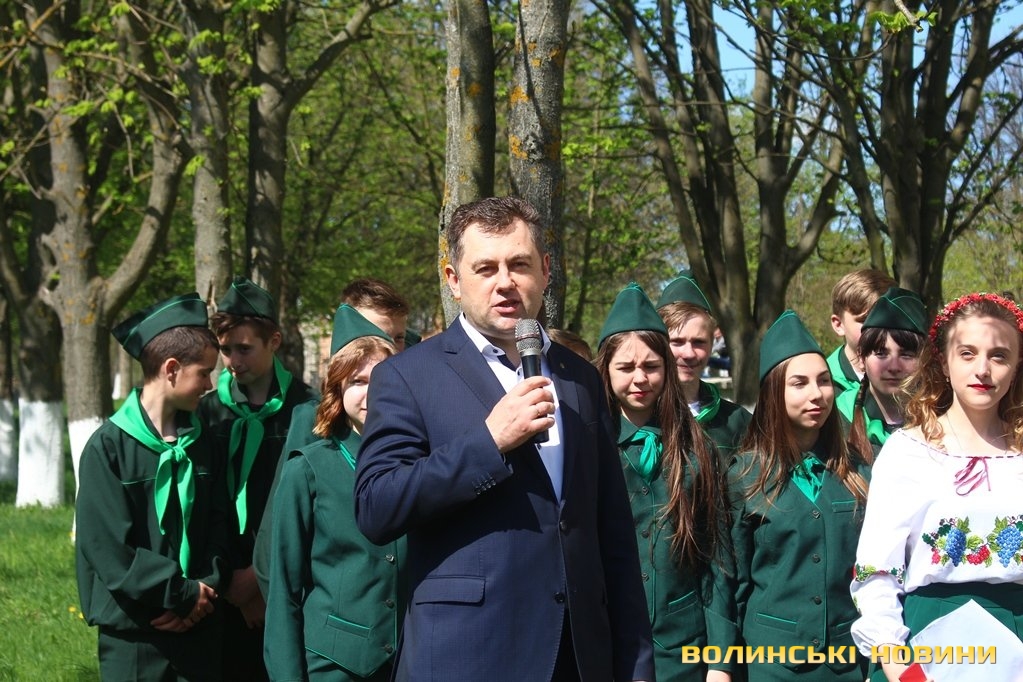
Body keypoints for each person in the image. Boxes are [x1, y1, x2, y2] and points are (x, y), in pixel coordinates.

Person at [354, 196, 655, 680]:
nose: (505, 282)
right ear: (454, 280)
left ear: (546, 270)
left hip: (578, 657)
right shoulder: (407, 376)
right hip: (467, 655)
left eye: (519, 264)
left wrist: (636, 667)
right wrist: (488, 442)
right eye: (485, 268)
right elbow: (377, 506)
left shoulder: (580, 377)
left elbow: (613, 532)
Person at [850, 292, 1023, 682]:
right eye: (967, 354)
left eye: (999, 356)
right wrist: (898, 665)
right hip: (929, 638)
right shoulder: (908, 451)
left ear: (1016, 367)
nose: (983, 369)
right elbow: (876, 571)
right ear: (944, 362)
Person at [76, 293, 231, 681]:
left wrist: (202, 590)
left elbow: (220, 522)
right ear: (172, 369)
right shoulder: (108, 449)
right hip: (135, 638)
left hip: (200, 627)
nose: (209, 384)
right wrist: (178, 595)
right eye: (204, 373)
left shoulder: (204, 443)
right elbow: (109, 549)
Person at [596, 283, 736, 681]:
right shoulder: (588, 447)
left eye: (652, 366)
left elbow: (717, 560)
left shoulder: (697, 446)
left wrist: (721, 662)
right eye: (626, 368)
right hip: (608, 647)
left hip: (684, 652)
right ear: (606, 369)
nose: (640, 378)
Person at [265, 304, 405, 681]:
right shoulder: (307, 470)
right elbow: (284, 591)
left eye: (382, 378)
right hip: (334, 667)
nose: (371, 392)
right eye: (357, 381)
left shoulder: (421, 465)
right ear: (337, 389)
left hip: (411, 663)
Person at [729, 310, 871, 681]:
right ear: (774, 393)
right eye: (799, 383)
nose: (816, 394)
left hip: (848, 663)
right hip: (772, 663)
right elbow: (731, 580)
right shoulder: (745, 476)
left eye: (823, 381)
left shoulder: (859, 471)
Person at [252, 277, 415, 597]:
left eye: (399, 338)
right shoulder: (312, 421)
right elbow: (280, 535)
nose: (390, 350)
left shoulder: (415, 412)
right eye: (373, 336)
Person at [197, 276, 317, 681]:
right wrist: (231, 579)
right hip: (219, 584)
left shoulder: (307, 410)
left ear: (274, 341)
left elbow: (306, 506)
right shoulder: (207, 413)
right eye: (226, 349)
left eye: (244, 348)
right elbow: (202, 501)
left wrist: (260, 580)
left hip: (285, 582)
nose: (233, 360)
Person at [656, 270, 751, 461]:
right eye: (677, 342)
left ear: (711, 345)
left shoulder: (737, 422)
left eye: (698, 342)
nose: (689, 353)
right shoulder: (638, 419)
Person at [836, 287, 927, 457]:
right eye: (881, 354)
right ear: (861, 358)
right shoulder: (838, 416)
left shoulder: (944, 417)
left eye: (906, 355)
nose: (893, 367)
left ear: (924, 360)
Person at [827, 269, 897, 396]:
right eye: (865, 320)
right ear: (839, 325)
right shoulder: (824, 382)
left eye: (887, 319)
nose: (879, 329)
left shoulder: (911, 376)